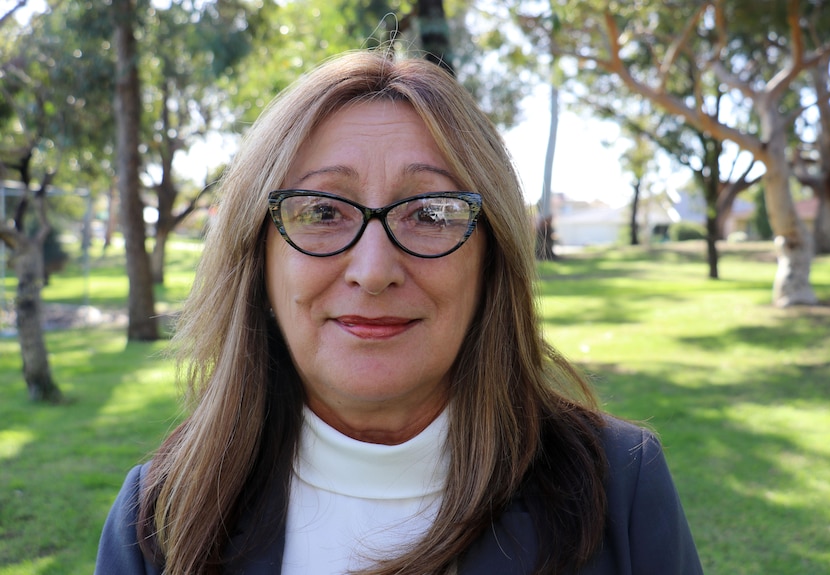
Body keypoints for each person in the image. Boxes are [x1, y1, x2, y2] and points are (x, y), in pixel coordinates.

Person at [95, 49, 703, 575]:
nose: (374, 268)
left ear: (492, 261)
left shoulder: (620, 487)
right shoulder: (160, 515)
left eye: (432, 213)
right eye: (323, 211)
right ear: (258, 258)